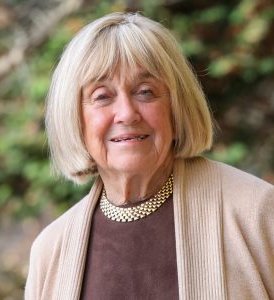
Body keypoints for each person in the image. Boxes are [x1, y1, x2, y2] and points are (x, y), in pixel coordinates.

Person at [25, 12, 274, 300]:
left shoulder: (257, 214)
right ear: (75, 117)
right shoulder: (50, 251)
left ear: (175, 106)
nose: (128, 113)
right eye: (102, 96)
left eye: (145, 92)